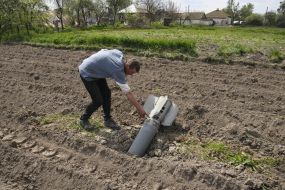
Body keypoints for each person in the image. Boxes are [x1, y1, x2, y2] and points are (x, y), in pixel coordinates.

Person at [78, 49, 147, 131]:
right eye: (131, 72)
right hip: (87, 73)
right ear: (127, 66)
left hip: (96, 71)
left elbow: (104, 50)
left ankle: (107, 119)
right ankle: (83, 119)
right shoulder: (117, 70)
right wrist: (140, 108)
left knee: (107, 94)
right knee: (98, 100)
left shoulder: (119, 54)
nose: (131, 75)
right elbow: (128, 93)